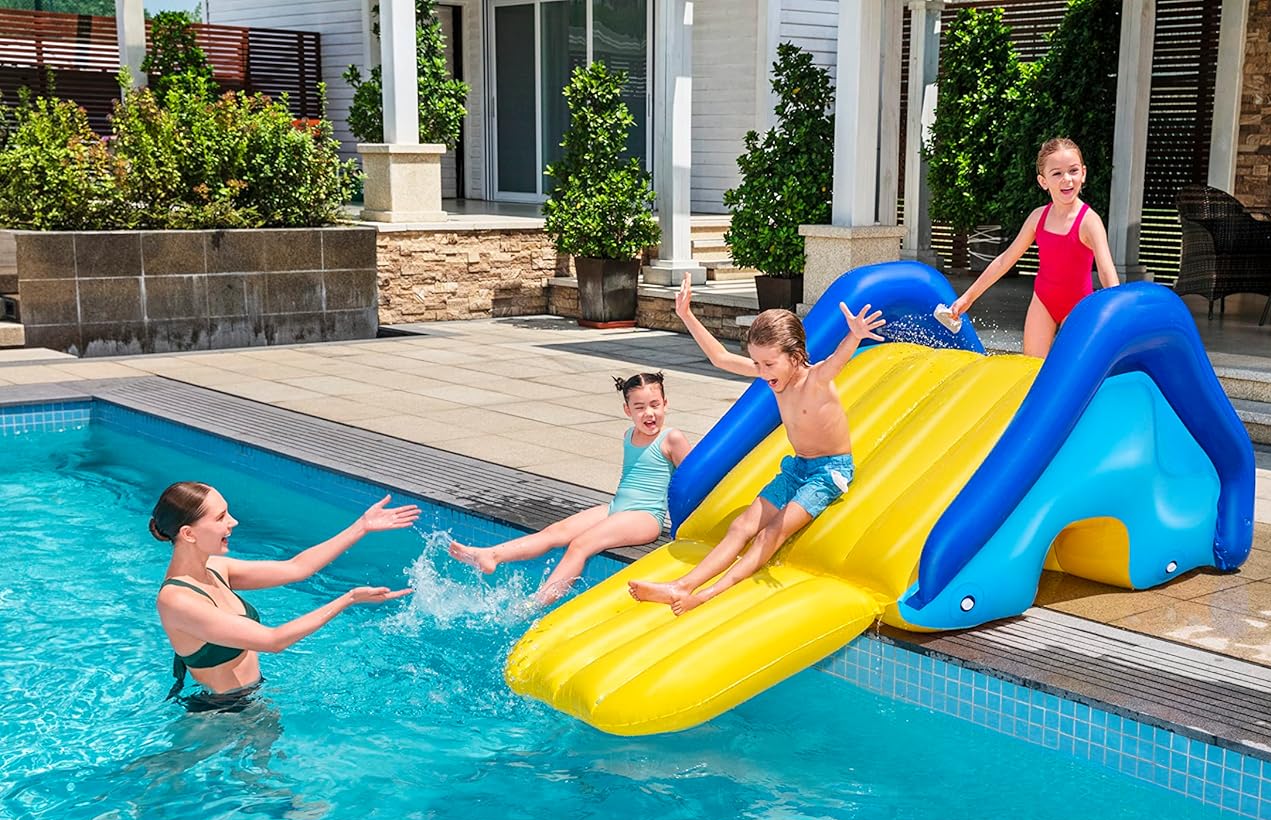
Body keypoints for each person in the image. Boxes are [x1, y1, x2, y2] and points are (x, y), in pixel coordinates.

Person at [630, 276, 884, 615]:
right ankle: (681, 585)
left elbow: (838, 360)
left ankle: (706, 596)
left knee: (771, 533)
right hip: (798, 468)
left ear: (795, 356)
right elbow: (720, 358)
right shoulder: (775, 375)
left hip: (828, 473)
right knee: (741, 526)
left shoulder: (816, 379)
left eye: (769, 364)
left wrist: (854, 335)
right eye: (757, 364)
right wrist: (686, 315)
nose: (762, 373)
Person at [152, 482, 418, 702]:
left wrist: (362, 526)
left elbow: (297, 568)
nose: (233, 521)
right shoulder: (177, 600)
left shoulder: (216, 568)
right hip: (218, 714)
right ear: (188, 533)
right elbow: (273, 641)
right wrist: (349, 599)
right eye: (221, 517)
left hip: (252, 699)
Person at [449, 371, 693, 604]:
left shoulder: (672, 438)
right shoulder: (629, 434)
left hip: (645, 516)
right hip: (617, 507)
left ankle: (536, 603)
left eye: (655, 405)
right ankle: (492, 555)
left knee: (580, 545)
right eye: (639, 407)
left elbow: (693, 478)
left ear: (665, 404)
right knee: (555, 532)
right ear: (627, 410)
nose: (649, 413)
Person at [946, 136, 1121, 358]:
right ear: (1043, 181)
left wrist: (1118, 310)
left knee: (1066, 368)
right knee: (1031, 365)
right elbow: (1005, 260)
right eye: (1057, 173)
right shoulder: (1038, 217)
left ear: (1083, 174)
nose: (1067, 179)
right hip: (1043, 302)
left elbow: (1106, 270)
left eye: (1073, 171)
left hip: (1077, 305)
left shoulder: (1089, 222)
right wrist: (968, 297)